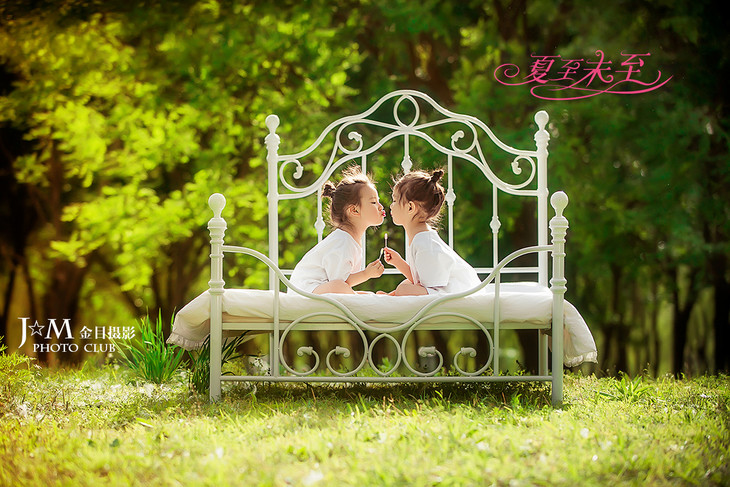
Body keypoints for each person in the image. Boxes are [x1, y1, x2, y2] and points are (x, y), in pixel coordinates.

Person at [381, 169, 480, 296]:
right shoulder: (421, 237)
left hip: (459, 293)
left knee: (404, 289)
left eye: (394, 200)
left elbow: (429, 290)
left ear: (410, 207)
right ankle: (391, 297)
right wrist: (398, 262)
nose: (391, 205)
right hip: (446, 290)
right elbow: (420, 280)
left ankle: (392, 297)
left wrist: (400, 292)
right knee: (405, 286)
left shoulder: (425, 244)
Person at [289, 167, 385, 294]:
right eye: (373, 202)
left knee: (361, 294)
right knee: (340, 287)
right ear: (354, 210)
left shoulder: (349, 239)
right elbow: (340, 283)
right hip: (305, 292)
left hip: (317, 291)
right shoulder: (342, 241)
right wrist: (366, 274)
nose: (380, 206)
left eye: (378, 201)